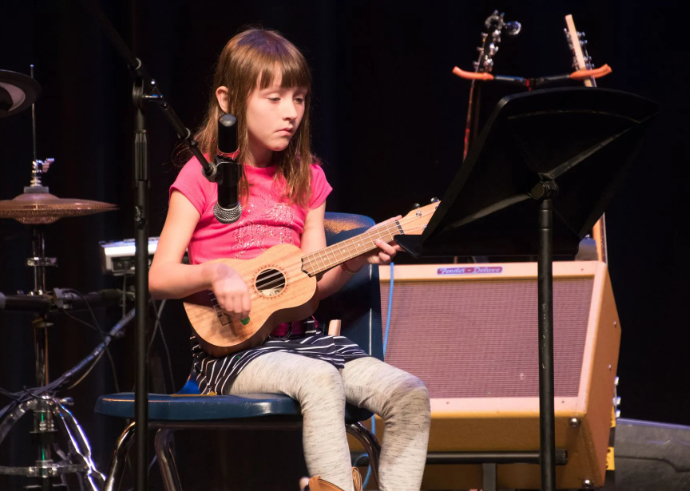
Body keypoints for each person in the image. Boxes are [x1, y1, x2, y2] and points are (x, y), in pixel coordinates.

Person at [149, 28, 430, 491]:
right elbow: (159, 276)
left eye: (299, 99)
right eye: (275, 98)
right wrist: (215, 272)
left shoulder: (307, 179)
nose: (291, 113)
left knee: (409, 394)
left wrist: (355, 259)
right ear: (228, 99)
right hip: (233, 355)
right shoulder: (199, 176)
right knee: (319, 380)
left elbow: (310, 286)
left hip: (305, 343)